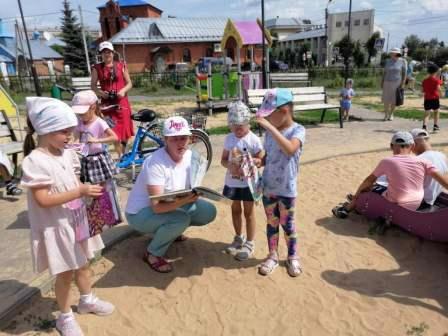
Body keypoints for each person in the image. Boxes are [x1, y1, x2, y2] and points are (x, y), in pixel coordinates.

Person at [21, 97, 114, 336]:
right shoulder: (35, 161)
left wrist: (88, 194)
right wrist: (79, 191)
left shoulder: (67, 154)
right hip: (57, 227)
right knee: (64, 274)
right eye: (64, 132)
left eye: (71, 131)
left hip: (76, 222)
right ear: (46, 129)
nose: (69, 137)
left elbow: (74, 182)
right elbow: (43, 200)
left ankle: (87, 299)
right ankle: (64, 317)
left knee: (83, 265)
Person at [125, 116, 217, 273]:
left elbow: (190, 187)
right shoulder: (155, 162)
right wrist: (186, 200)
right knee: (180, 219)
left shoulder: (190, 156)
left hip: (171, 202)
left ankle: (169, 233)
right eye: (174, 139)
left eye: (184, 138)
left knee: (208, 211)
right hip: (140, 213)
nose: (180, 142)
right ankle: (152, 253)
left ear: (190, 138)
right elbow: (156, 208)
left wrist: (195, 193)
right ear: (165, 140)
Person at [332, 131, 448, 218]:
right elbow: (444, 181)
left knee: (367, 188)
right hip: (417, 202)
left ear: (391, 146)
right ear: (412, 146)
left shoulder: (387, 161)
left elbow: (368, 180)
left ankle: (346, 209)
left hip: (397, 200)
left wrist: (357, 194)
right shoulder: (423, 162)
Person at [255, 88, 306, 277]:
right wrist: (259, 161)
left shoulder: (298, 130)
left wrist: (270, 128)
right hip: (269, 188)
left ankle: (292, 256)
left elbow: (290, 149)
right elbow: (268, 156)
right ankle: (273, 255)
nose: (266, 120)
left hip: (286, 190)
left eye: (269, 115)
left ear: (284, 111)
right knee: (271, 223)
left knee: (288, 224)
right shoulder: (270, 133)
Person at [221, 101, 264, 261]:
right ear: (230, 125)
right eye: (234, 126)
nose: (238, 129)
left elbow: (261, 157)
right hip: (232, 181)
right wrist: (230, 166)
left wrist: (254, 162)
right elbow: (223, 160)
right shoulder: (229, 139)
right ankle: (238, 237)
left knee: (249, 212)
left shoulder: (253, 139)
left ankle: (250, 242)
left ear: (248, 123)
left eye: (242, 125)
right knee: (235, 209)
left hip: (249, 184)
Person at [91, 41, 134, 158]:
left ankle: (124, 153)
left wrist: (123, 90)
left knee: (125, 131)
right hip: (107, 105)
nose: (107, 54)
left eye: (109, 52)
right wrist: (101, 93)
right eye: (104, 52)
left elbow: (129, 83)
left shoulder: (121, 65)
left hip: (122, 102)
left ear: (113, 52)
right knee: (113, 131)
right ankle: (120, 156)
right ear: (101, 54)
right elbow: (93, 86)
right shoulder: (96, 68)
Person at [71, 90, 118, 184]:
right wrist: (73, 146)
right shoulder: (79, 123)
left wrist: (96, 140)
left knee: (103, 184)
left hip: (99, 158)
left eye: (83, 113)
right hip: (87, 158)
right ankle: (97, 198)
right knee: (93, 185)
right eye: (78, 114)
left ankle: (105, 197)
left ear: (93, 107)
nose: (80, 116)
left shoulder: (99, 122)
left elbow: (114, 137)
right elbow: (76, 140)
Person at [410, 128, 448, 210]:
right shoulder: (443, 156)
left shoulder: (419, 160)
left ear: (414, 144)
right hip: (434, 198)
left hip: (420, 202)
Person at [381, 48, 407, 121]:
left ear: (396, 54)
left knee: (394, 100)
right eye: (391, 53)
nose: (391, 54)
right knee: (386, 99)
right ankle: (386, 114)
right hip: (387, 81)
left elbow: (404, 73)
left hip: (397, 82)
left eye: (393, 53)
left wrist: (403, 83)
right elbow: (384, 72)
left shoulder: (403, 61)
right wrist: (382, 81)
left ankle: (391, 114)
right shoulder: (388, 61)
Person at [421, 63, 443, 132]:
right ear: (436, 71)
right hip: (435, 98)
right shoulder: (436, 80)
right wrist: (441, 94)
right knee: (436, 112)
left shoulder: (424, 80)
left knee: (427, 113)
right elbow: (439, 88)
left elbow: (422, 90)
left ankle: (424, 127)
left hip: (427, 99)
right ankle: (435, 126)